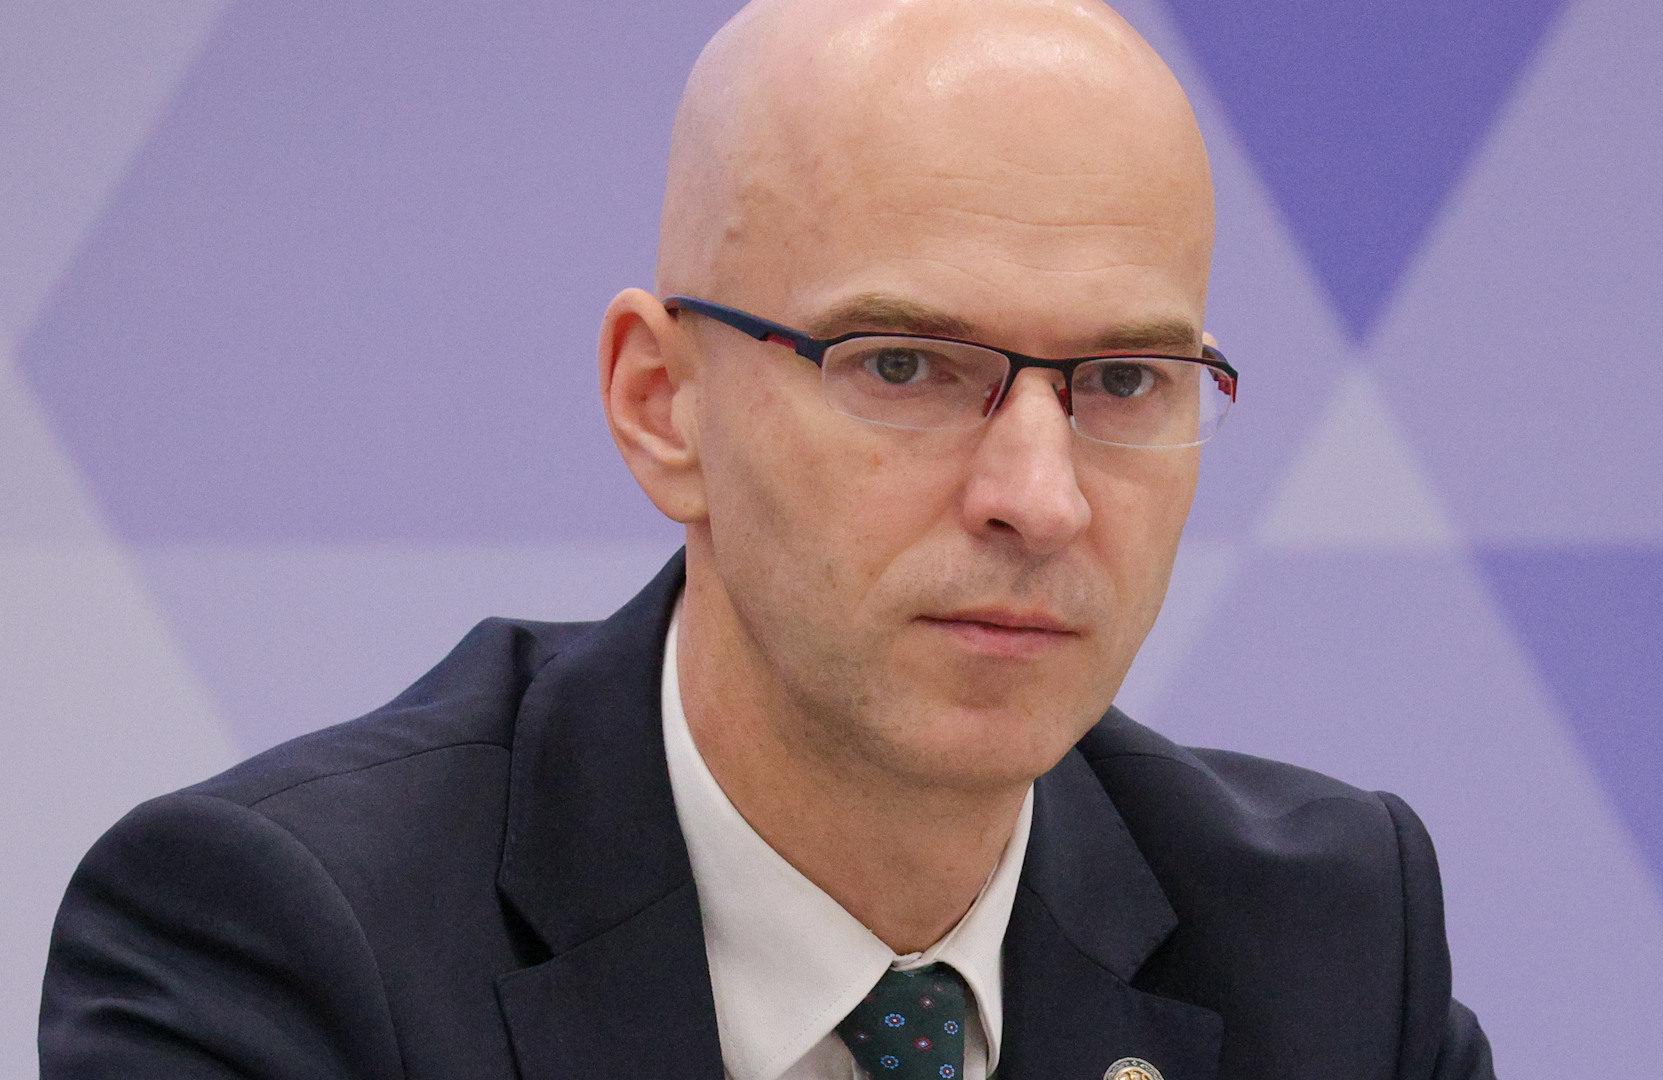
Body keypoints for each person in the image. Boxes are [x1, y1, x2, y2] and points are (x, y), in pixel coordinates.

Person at [39, 0, 1495, 1077]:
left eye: (1123, 381)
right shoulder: (288, 944)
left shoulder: (1330, 946)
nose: (1040, 497)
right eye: (906, 366)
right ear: (663, 405)